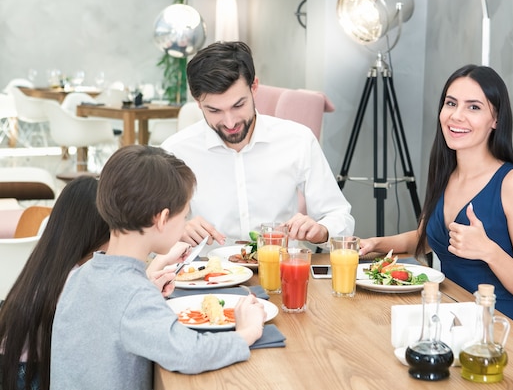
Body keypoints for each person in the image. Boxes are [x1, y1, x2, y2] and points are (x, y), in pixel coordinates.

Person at [50, 145, 266, 390]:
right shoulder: (133, 295)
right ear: (162, 219)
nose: (185, 222)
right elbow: (189, 353)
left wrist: (146, 291)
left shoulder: (81, 275)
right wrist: (248, 330)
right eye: (184, 215)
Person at [359, 65, 513, 331]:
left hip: (498, 334)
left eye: (474, 107)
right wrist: (375, 244)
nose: (456, 116)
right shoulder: (447, 172)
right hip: (451, 322)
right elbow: (424, 239)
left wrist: (488, 251)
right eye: (451, 103)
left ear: (496, 119)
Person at [0, 176, 190, 390]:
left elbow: (112, 299)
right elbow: (111, 309)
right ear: (97, 230)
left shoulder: (53, 264)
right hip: (30, 375)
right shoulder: (74, 280)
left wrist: (158, 265)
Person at [161, 41, 354, 247]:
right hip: (204, 275)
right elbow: (149, 232)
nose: (230, 122)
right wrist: (177, 230)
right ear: (197, 101)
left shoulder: (297, 139)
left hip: (280, 273)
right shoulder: (175, 151)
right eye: (214, 110)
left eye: (238, 105)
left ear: (254, 87)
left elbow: (339, 216)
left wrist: (322, 231)